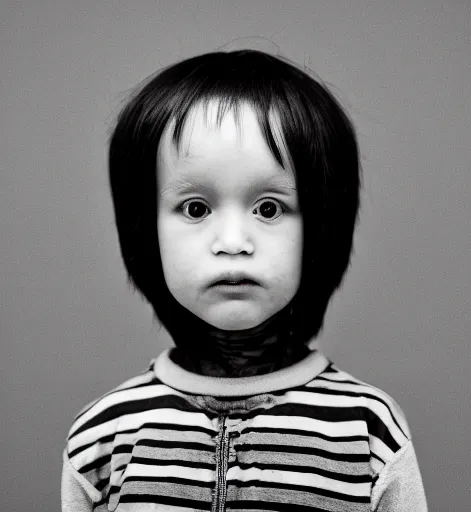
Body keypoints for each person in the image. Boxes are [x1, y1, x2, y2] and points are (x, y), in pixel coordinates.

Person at [61, 49, 428, 511]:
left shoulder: (367, 433)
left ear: (321, 227)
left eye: (269, 208)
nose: (233, 242)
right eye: (195, 208)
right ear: (144, 228)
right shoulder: (103, 435)